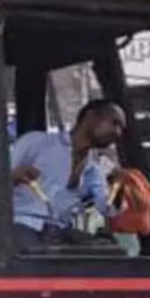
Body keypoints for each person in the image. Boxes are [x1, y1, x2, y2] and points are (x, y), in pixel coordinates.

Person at [9, 99, 127, 250]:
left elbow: (107, 209)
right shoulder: (36, 143)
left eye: (121, 128)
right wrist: (13, 176)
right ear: (91, 117)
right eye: (114, 123)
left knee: (111, 252)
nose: (118, 132)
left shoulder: (94, 169)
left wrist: (117, 188)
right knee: (38, 260)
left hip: (59, 230)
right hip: (21, 223)